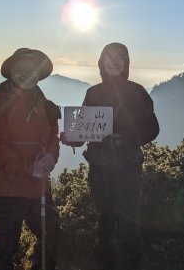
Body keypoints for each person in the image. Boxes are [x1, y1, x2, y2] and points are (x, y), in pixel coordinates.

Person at [62, 42, 159, 270]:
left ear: (126, 63)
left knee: (129, 220)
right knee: (105, 217)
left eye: (119, 59)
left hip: (129, 167)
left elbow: (152, 129)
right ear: (102, 63)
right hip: (101, 168)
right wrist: (72, 138)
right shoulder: (93, 93)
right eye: (109, 58)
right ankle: (106, 262)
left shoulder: (138, 92)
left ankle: (131, 262)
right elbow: (84, 130)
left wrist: (124, 139)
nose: (114, 62)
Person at [0, 48, 61, 270]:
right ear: (11, 72)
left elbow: (52, 137)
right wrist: (31, 168)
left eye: (32, 69)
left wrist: (51, 157)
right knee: (6, 246)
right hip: (8, 189)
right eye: (20, 69)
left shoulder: (45, 104)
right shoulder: (0, 103)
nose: (26, 74)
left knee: (51, 232)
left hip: (38, 188)